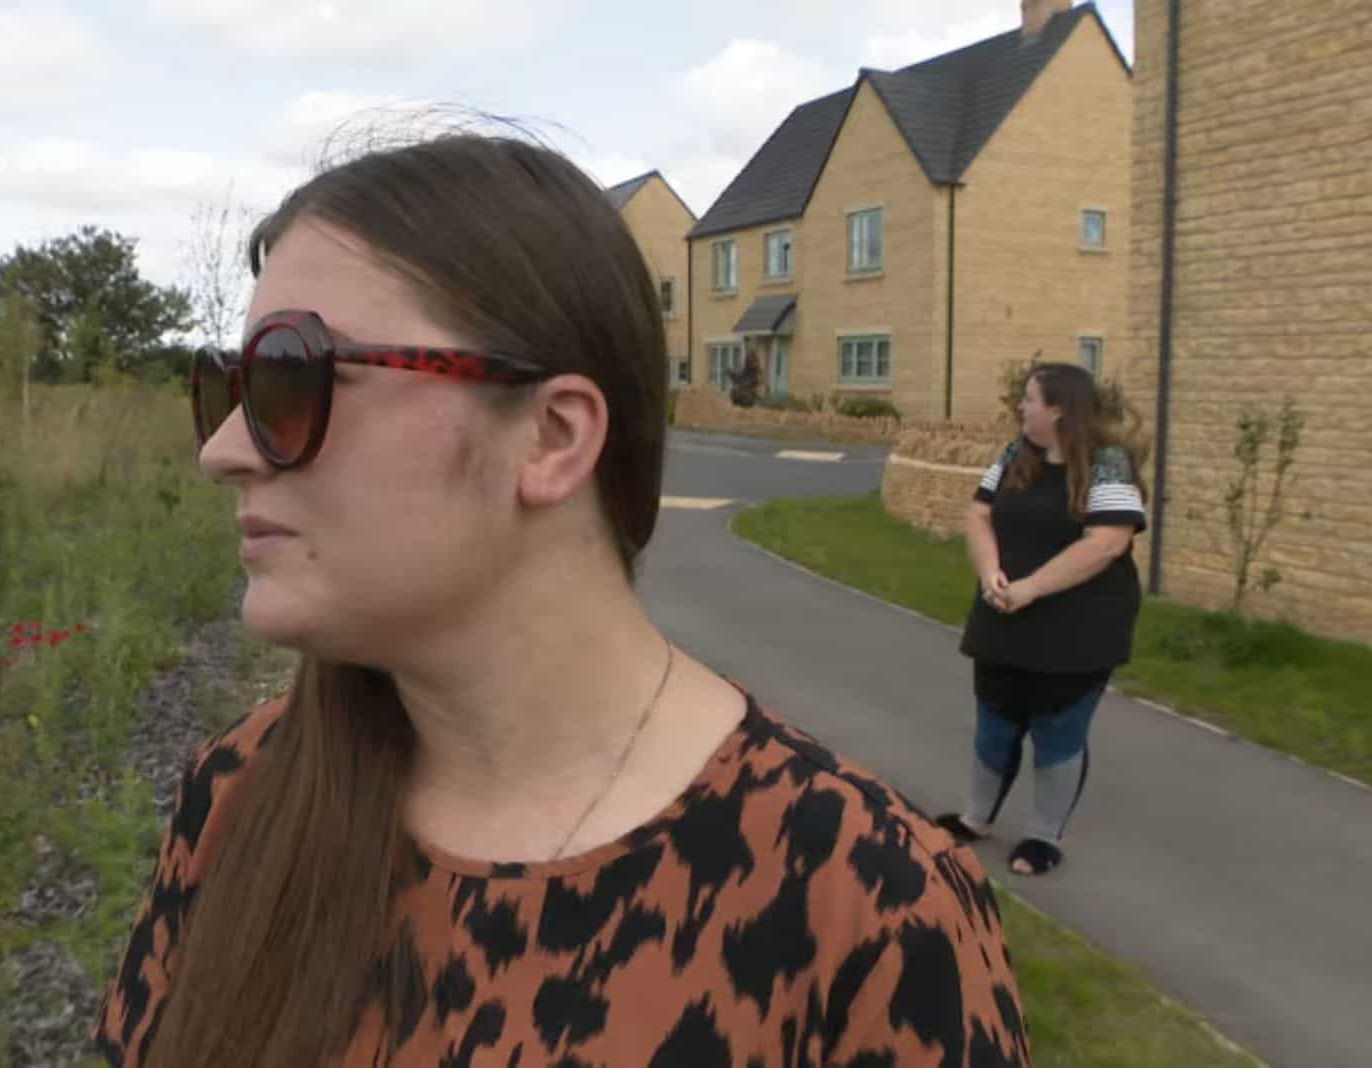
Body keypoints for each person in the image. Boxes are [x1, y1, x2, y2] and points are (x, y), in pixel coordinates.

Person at [93, 130, 1030, 1067]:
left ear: (550, 436)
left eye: (291, 380)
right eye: (230, 389)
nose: (223, 452)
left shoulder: (864, 909)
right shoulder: (243, 793)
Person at [937, 363, 1147, 877]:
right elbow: (979, 514)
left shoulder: (1108, 463)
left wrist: (1031, 588)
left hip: (1078, 630)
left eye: (1029, 399)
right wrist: (992, 575)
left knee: (1058, 730)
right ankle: (975, 818)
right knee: (994, 722)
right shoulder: (1015, 454)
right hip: (1003, 618)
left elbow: (1107, 543)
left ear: (1058, 408)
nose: (1021, 408)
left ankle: (1042, 836)